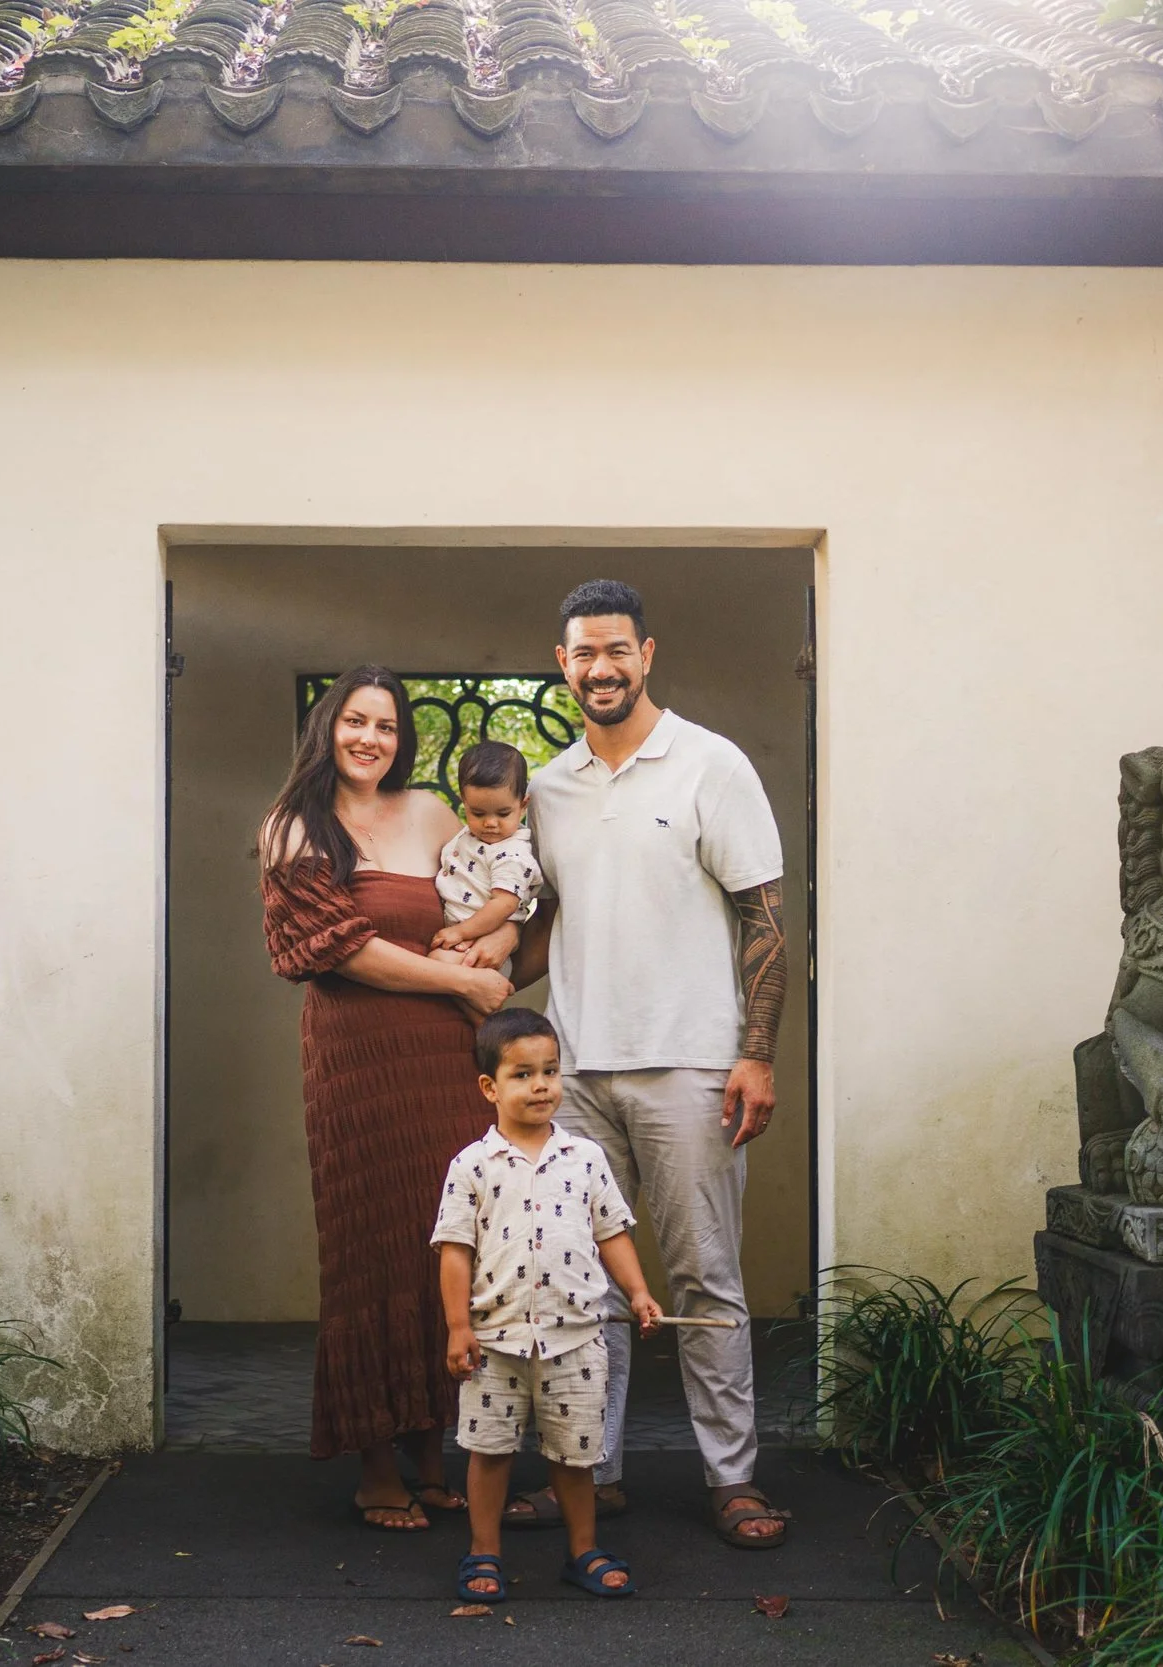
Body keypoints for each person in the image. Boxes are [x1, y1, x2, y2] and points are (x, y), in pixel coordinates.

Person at [491, 578, 796, 1550]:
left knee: (705, 1278)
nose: (600, 667)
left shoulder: (709, 764)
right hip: (573, 1076)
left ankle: (732, 1477)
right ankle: (594, 1470)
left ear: (647, 653)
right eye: (583, 653)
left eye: (616, 649)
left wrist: (755, 1054)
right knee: (583, 1284)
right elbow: (538, 930)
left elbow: (766, 919)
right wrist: (452, 972)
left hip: (690, 1066)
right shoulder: (548, 785)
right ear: (562, 663)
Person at [261, 666, 516, 1531]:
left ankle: (432, 1454)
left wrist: (496, 951)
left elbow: (505, 897)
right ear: (327, 726)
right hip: (358, 1062)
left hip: (446, 1059)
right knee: (371, 1243)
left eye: (387, 725)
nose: (371, 737)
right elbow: (335, 947)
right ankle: (376, 1464)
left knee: (447, 1242)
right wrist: (456, 979)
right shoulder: (292, 826)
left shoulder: (438, 815)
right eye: (355, 720)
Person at [433, 1009, 663, 1603]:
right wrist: (459, 1326)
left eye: (551, 1071)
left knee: (575, 1454)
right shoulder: (471, 1166)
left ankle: (583, 1550)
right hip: (495, 1341)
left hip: (575, 1339)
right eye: (523, 1074)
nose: (541, 1085)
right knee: (488, 1452)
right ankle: (483, 1553)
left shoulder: (585, 1158)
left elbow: (613, 1231)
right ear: (490, 1086)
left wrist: (637, 1291)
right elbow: (455, 1251)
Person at [428, 741, 544, 966]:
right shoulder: (468, 837)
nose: (490, 823)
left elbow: (504, 904)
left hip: (483, 945)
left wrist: (461, 932)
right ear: (464, 802)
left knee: (438, 964)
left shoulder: (512, 855)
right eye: (478, 813)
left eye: (503, 813)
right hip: (461, 938)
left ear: (523, 805)